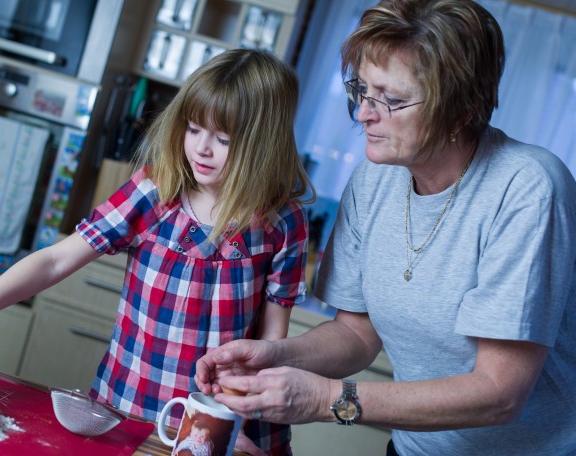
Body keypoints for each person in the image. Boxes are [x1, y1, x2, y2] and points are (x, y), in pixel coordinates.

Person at [195, 1, 576, 455]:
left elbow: (499, 392)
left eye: (392, 100)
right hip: (416, 448)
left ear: (461, 108)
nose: (363, 114)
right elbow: (356, 334)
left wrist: (325, 398)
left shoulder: (527, 188)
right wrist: (276, 357)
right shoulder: (374, 178)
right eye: (362, 90)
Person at [0, 49, 314, 455]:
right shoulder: (157, 191)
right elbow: (55, 259)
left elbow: (272, 345)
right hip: (130, 411)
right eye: (193, 129)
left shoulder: (282, 223)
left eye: (223, 138)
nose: (202, 149)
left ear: (263, 144)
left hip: (224, 423)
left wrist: (225, 423)